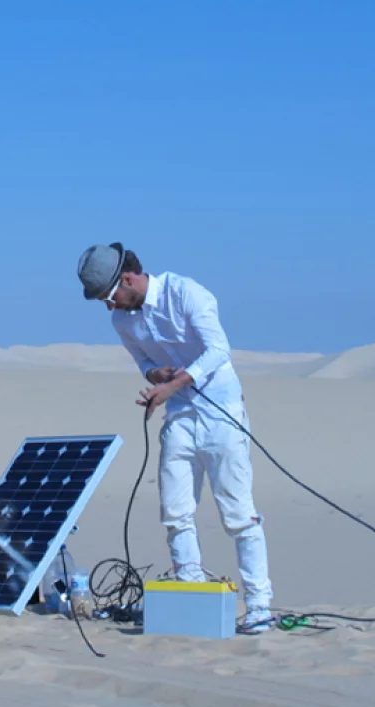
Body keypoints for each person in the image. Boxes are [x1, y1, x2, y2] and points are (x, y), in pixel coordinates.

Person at [76, 242, 274, 633]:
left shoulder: (186, 293)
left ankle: (259, 605)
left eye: (109, 296)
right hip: (179, 416)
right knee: (176, 511)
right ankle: (191, 593)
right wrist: (156, 377)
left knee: (238, 514)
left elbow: (219, 350)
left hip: (222, 413)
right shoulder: (122, 322)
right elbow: (143, 362)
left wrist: (178, 382)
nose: (109, 307)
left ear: (128, 279)